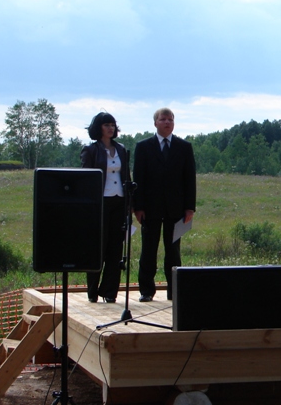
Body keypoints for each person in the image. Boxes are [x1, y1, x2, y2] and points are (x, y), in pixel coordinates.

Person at [133, 107, 196, 301]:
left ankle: (174, 291)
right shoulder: (143, 147)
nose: (167, 122)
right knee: (148, 250)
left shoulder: (184, 147)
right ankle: (146, 290)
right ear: (155, 123)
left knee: (173, 252)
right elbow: (138, 178)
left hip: (176, 209)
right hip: (150, 209)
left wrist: (190, 208)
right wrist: (138, 207)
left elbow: (189, 179)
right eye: (163, 119)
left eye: (170, 119)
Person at [81, 112, 131, 303]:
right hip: (100, 203)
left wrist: (130, 204)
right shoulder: (91, 150)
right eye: (106, 125)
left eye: (112, 125)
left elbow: (126, 176)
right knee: (98, 247)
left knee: (115, 249)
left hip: (119, 201)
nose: (111, 128)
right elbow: (86, 179)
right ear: (98, 128)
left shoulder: (121, 149)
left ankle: (109, 292)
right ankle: (92, 291)